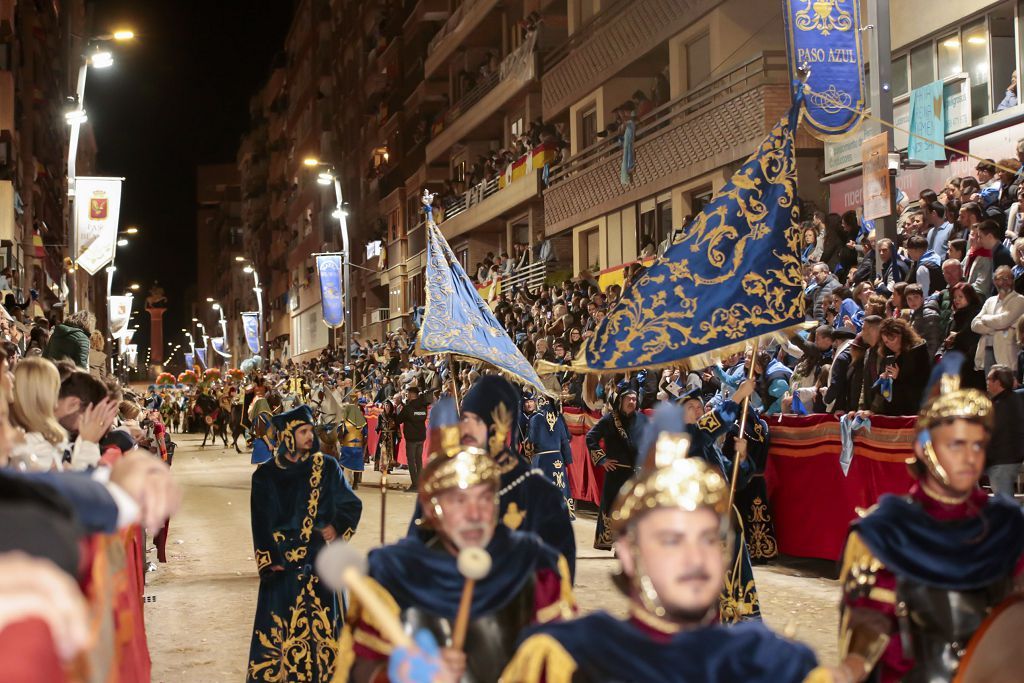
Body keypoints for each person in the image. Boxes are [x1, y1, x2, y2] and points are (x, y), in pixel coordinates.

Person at [502, 404, 818, 683]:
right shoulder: (572, 659)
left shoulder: (774, 665)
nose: (695, 557)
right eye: (671, 539)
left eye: (709, 538)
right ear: (628, 552)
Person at [337, 399, 576, 683]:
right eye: (460, 500)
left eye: (485, 498)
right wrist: (400, 673)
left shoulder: (533, 568)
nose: (475, 514)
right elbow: (359, 671)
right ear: (433, 508)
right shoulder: (394, 575)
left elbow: (561, 667)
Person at [835, 354, 1024, 682]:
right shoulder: (885, 530)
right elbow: (869, 624)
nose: (970, 458)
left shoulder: (1006, 524)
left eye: (978, 446)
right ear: (925, 449)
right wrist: (853, 667)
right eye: (956, 445)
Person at [409, 375, 576, 580]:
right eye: (465, 418)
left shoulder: (538, 490)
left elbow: (559, 569)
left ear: (500, 425)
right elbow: (417, 546)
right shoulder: (444, 480)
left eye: (477, 419)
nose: (467, 428)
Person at [246, 405, 363, 683]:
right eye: (303, 431)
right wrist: (269, 561)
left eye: (311, 430)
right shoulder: (265, 476)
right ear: (288, 435)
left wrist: (337, 526)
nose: (311, 436)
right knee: (280, 632)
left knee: (329, 631)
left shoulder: (328, 466)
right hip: (282, 567)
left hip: (322, 561)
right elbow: (261, 524)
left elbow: (350, 504)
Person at [586, 385, 648, 551]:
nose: (632, 402)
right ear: (620, 400)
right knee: (614, 509)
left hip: (636, 473)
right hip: (616, 473)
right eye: (629, 398)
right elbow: (590, 437)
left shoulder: (643, 420)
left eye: (635, 399)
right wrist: (602, 459)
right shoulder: (609, 420)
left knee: (633, 510)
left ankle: (626, 546)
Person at [524, 395, 575, 519]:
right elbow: (566, 439)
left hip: (541, 459)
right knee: (559, 485)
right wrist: (568, 460)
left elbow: (532, 439)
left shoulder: (535, 418)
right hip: (557, 458)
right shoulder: (559, 418)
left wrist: (526, 441)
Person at [970, 265, 1024, 375]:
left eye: (1007, 278)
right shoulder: (990, 300)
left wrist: (984, 319)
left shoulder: (1020, 300)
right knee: (990, 388)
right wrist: (996, 328)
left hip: (1007, 354)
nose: (1004, 282)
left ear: (1013, 280)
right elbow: (974, 324)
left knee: (1007, 389)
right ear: (994, 281)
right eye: (1000, 278)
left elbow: (1003, 321)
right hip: (987, 350)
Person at [874, 318, 932, 416]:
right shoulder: (886, 355)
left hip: (911, 412)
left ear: (902, 335)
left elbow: (922, 384)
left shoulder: (917, 353)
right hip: (890, 411)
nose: (889, 344)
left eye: (892, 339)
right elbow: (881, 392)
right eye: (886, 342)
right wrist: (883, 381)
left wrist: (899, 376)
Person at [983, 363, 1024, 497]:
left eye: (989, 379)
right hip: (1012, 458)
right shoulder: (1015, 399)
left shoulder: (999, 407)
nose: (987, 382)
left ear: (998, 382)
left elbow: (993, 435)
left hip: (1002, 462)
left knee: (1005, 505)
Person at [943, 282, 986, 390]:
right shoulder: (955, 315)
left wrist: (956, 337)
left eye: (960, 297)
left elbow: (971, 337)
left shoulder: (976, 314)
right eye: (955, 297)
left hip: (970, 367)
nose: (956, 300)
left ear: (969, 297)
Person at [396, 384, 431, 492]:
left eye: (408, 394)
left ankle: (415, 485)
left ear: (412, 395)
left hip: (411, 438)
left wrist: (400, 409)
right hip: (421, 437)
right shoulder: (423, 407)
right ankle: (419, 483)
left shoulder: (408, 408)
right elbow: (421, 416)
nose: (407, 395)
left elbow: (398, 420)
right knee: (419, 461)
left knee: (411, 462)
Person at [904, 284, 943, 357]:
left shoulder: (928, 314)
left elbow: (933, 343)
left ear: (922, 297)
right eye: (909, 298)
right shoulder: (916, 313)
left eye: (916, 297)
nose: (913, 301)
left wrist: (926, 365)